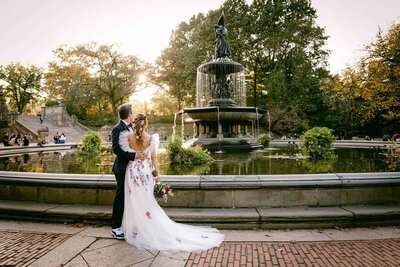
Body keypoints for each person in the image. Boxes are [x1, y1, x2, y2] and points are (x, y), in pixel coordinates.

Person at [120, 113, 224, 253]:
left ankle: (136, 230)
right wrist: (158, 175)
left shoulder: (127, 138)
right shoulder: (150, 139)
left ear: (135, 123)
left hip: (132, 172)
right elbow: (154, 158)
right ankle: (149, 227)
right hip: (145, 172)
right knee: (148, 200)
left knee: (134, 200)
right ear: (146, 124)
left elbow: (125, 155)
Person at [111, 104, 146, 240]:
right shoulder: (117, 128)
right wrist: (134, 156)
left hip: (133, 168)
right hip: (121, 168)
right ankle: (115, 227)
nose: (134, 114)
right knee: (120, 196)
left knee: (130, 196)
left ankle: (127, 224)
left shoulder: (131, 127)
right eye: (133, 112)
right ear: (129, 114)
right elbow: (116, 150)